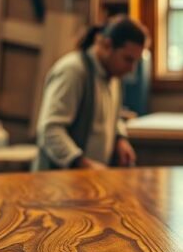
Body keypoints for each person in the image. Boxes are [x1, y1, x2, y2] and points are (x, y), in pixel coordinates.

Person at [33, 15, 148, 171]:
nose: (131, 69)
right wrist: (81, 163)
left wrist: (120, 139)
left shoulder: (113, 76)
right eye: (128, 59)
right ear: (107, 46)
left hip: (89, 181)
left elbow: (112, 117)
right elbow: (50, 130)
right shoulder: (73, 71)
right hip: (59, 183)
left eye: (135, 61)